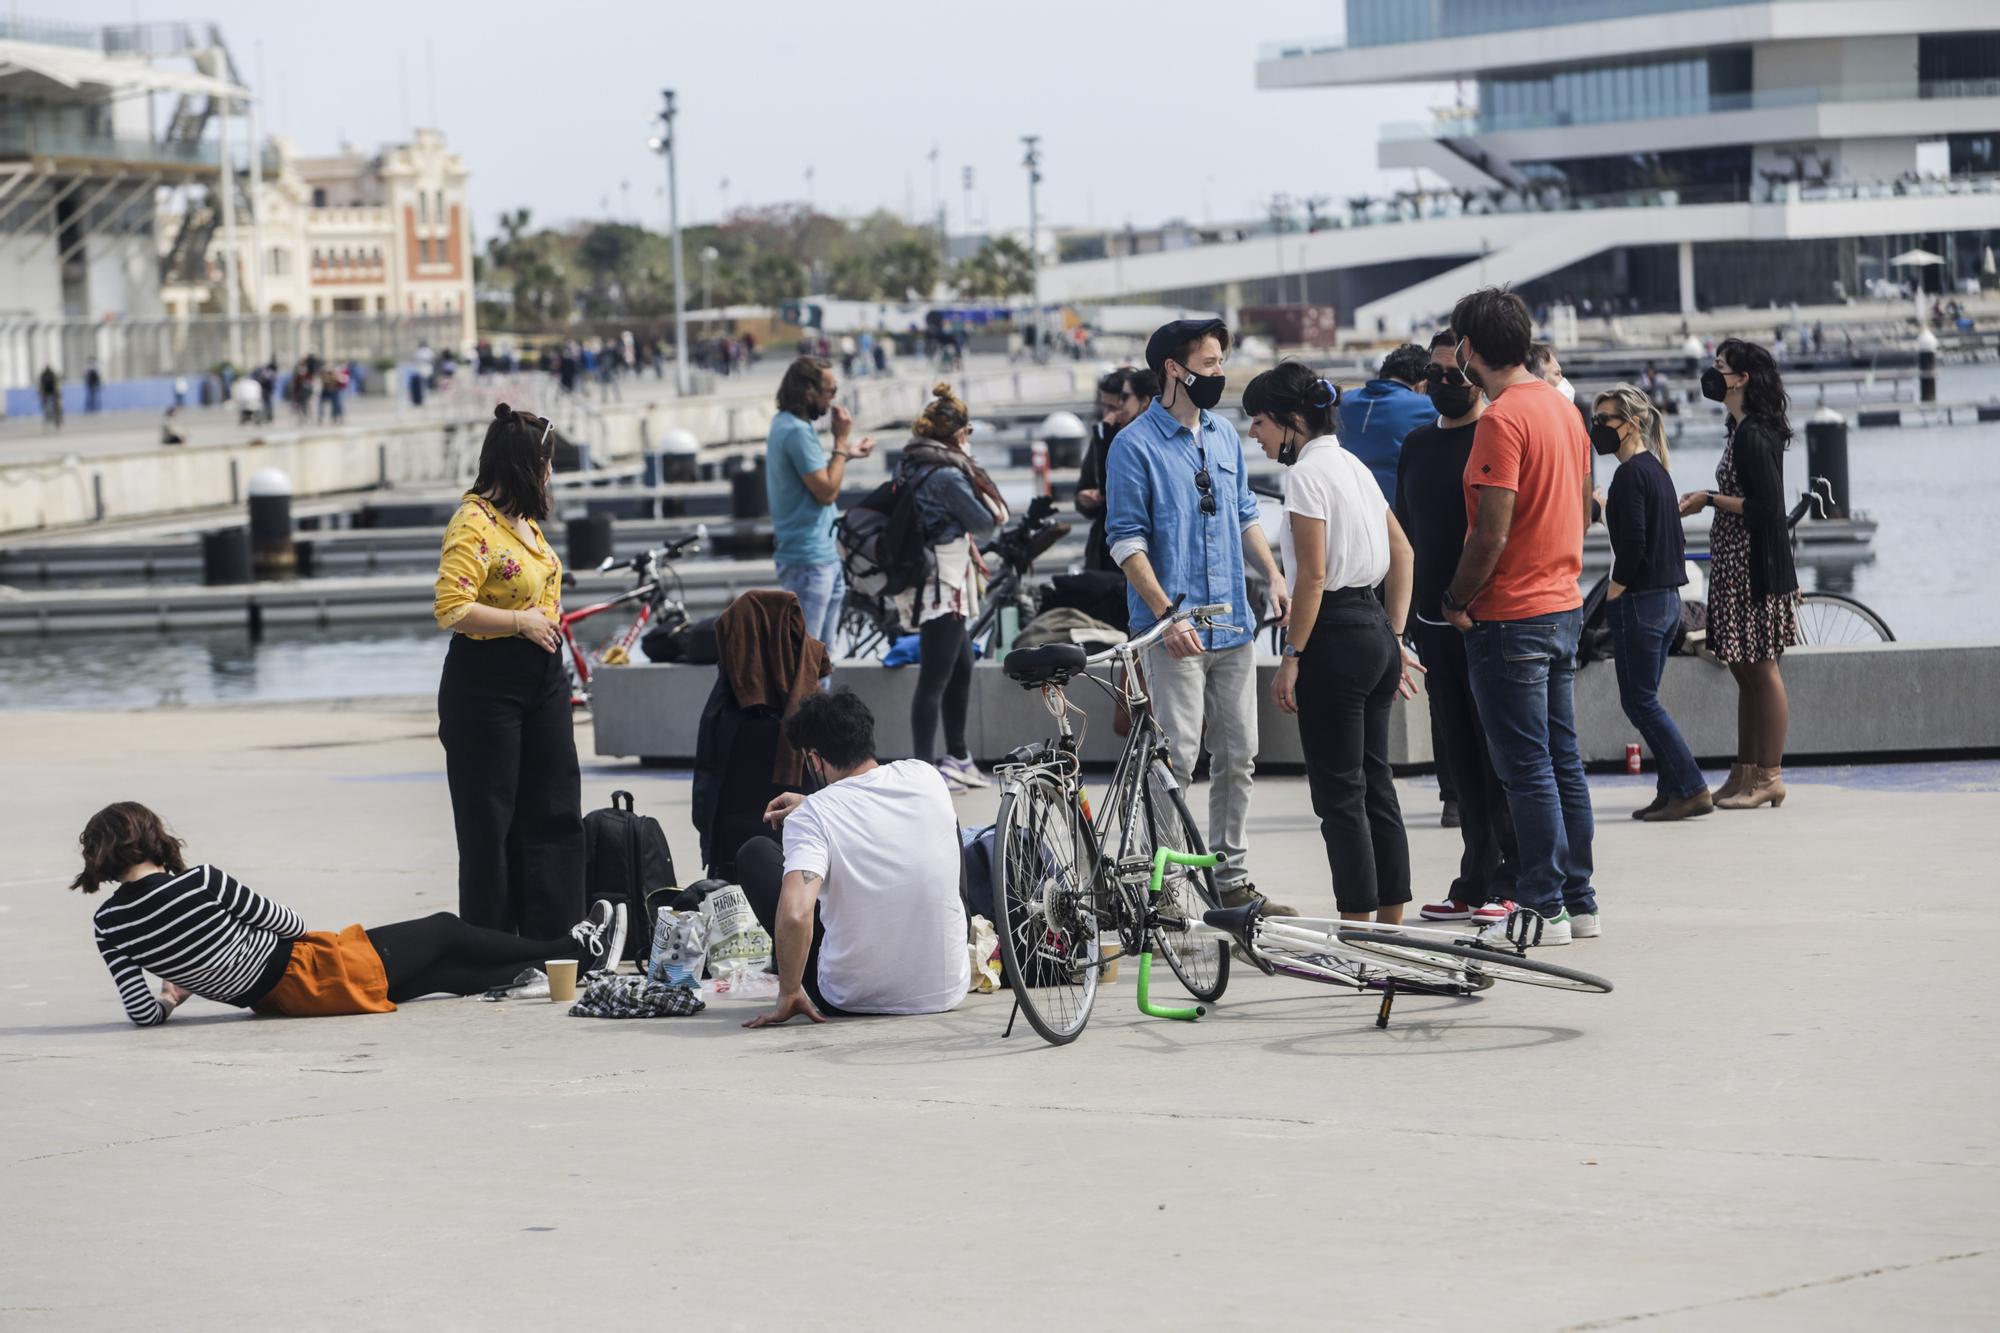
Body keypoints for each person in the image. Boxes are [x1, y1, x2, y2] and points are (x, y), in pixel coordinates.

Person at [74, 802, 622, 1027]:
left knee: (447, 975)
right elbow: (287, 922)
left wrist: (173, 994)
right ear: (152, 838)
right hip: (315, 968)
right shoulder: (200, 882)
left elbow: (142, 1014)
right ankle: (575, 947)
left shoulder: (109, 926)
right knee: (444, 929)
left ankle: (572, 974)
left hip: (278, 1004)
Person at [1106, 318, 1294, 915]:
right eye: (1210, 364)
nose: (1219, 375)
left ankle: (1229, 878)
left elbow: (1243, 514)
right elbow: (1126, 542)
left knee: (1239, 754)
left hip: (1233, 624)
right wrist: (1167, 614)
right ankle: (1166, 889)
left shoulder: (1222, 436)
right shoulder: (1132, 446)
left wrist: (1275, 574)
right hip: (1171, 632)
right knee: (1177, 757)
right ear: (1174, 369)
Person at [1440, 288, 1597, 948]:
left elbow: (1490, 533)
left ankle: (1540, 905)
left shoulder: (1501, 421)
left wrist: (1454, 599)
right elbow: (1587, 508)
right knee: (1563, 760)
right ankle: (1579, 897)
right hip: (1564, 602)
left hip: (1511, 615)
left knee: (1526, 767)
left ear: (1469, 350)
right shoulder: (1566, 413)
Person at [1248, 363, 1423, 923]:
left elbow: (1313, 577)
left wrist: (1290, 657)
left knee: (1339, 796)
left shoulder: (1304, 475)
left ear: (1293, 420)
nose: (1255, 433)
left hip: (1333, 635)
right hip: (1374, 627)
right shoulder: (1353, 465)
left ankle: (1357, 928)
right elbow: (1405, 553)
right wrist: (1395, 636)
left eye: (1260, 421)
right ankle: (1391, 926)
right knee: (1376, 784)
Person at [433, 405, 585, 939]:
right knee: (489, 822)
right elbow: (451, 607)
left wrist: (543, 619)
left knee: (554, 807)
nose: (551, 475)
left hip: (543, 675)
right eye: (547, 463)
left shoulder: (527, 522)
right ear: (527, 464)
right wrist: (521, 621)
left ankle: (556, 938)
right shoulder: (472, 521)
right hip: (486, 682)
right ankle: (492, 947)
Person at [738, 691, 970, 1027]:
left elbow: (795, 914)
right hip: (945, 989)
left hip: (848, 998)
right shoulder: (926, 777)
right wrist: (814, 806)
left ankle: (797, 985)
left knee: (756, 854)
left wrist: (788, 991)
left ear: (815, 760)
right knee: (945, 826)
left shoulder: (814, 815)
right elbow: (866, 808)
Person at [1398, 331, 1518, 924]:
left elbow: (1501, 531)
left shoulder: (1494, 435)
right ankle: (1473, 878)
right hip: (1430, 623)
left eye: (1456, 373)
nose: (1445, 384)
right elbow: (1404, 536)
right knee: (1461, 758)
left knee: (1501, 753)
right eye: (1435, 373)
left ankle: (1513, 878)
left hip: (1483, 618)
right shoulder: (1417, 444)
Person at [1680, 338, 1799, 810]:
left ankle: (1769, 775)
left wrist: (1708, 499)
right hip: (1735, 563)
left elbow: (1767, 507)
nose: (1712, 376)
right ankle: (1745, 771)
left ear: (1742, 378)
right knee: (1744, 670)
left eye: (1720, 368)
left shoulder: (1753, 434)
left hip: (1753, 566)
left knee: (1762, 669)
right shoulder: (1740, 427)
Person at [1591, 385, 1709, 822]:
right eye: (1596, 420)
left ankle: (1692, 787)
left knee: (1640, 702)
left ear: (1633, 423)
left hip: (1642, 604)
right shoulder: (1656, 471)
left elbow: (1636, 545)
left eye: (1606, 420)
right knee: (1647, 699)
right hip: (1667, 603)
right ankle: (1672, 788)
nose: (1598, 428)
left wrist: (1616, 590)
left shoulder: (1630, 476)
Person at [896, 382, 1007, 792]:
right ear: (958, 433)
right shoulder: (945, 473)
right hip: (940, 581)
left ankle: (957, 758)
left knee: (960, 665)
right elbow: (986, 520)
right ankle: (923, 773)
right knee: (936, 676)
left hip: (942, 576)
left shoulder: (913, 462)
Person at [767, 356, 877, 650]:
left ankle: (819, 699)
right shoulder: (796, 432)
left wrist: (846, 454)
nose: (832, 401)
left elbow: (814, 476)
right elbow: (826, 492)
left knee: (821, 662)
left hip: (821, 555)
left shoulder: (786, 424)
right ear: (808, 392)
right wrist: (841, 442)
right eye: (830, 391)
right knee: (807, 662)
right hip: (809, 561)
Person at [1076, 366, 1158, 573]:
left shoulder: (1140, 440)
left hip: (1140, 550)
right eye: (1105, 407)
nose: (1110, 414)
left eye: (1117, 405)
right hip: (1104, 548)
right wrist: (1085, 500)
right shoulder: (1103, 436)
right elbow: (1086, 487)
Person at [1336, 343, 1433, 500]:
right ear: (1423, 384)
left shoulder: (1341, 402)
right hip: (1396, 516)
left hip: (1345, 508)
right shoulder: (1427, 406)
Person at [38, 365, 63, 431]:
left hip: (47, 393)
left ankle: (48, 420)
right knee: (56, 408)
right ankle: (57, 421)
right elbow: (57, 385)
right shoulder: (53, 374)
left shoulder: (43, 375)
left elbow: (41, 385)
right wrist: (58, 393)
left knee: (46, 407)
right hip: (52, 392)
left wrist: (40, 393)